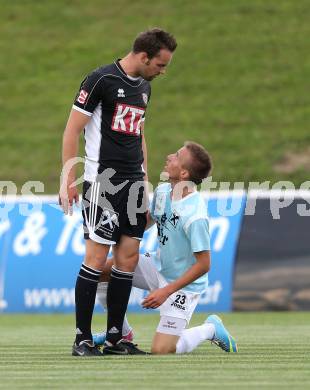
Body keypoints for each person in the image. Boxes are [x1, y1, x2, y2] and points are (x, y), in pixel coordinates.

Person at [59, 28, 177, 356]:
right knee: (96, 258)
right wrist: (68, 179)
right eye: (160, 64)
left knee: (127, 259)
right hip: (102, 184)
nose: (162, 71)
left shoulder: (144, 89)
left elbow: (139, 135)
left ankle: (115, 339)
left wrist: (144, 178)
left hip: (134, 186)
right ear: (143, 56)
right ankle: (82, 338)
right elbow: (72, 130)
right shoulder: (100, 80)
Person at [94, 142, 238, 354]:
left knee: (162, 350)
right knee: (101, 270)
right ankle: (121, 332)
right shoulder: (163, 191)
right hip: (157, 266)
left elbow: (204, 264)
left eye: (177, 156)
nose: (170, 156)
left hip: (182, 287)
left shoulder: (195, 215)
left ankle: (210, 329)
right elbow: (149, 221)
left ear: (183, 172)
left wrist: (165, 292)